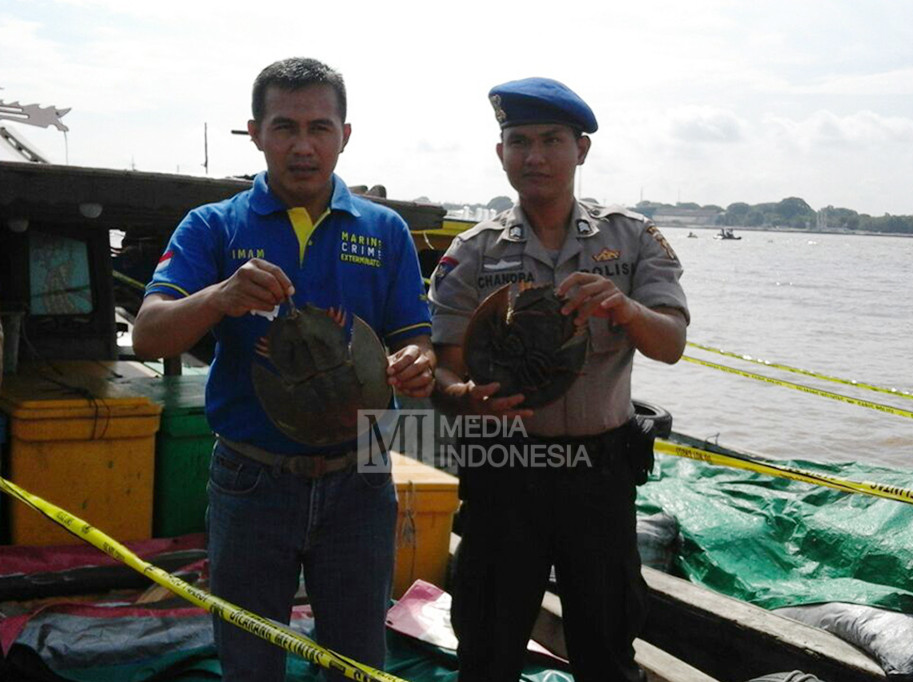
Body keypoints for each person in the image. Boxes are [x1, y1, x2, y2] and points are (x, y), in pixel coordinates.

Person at [132, 57, 435, 681]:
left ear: (345, 135)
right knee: (249, 659)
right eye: (285, 127)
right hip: (251, 477)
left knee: (356, 661)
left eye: (320, 128)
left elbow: (416, 339)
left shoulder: (386, 230)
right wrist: (219, 297)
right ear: (255, 132)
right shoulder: (213, 225)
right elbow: (145, 335)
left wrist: (418, 363)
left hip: (363, 476)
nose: (304, 146)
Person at [429, 77, 689, 682]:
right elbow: (443, 369)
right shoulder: (471, 252)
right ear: (501, 154)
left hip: (599, 477)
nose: (535, 156)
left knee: (606, 647)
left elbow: (671, 344)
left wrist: (624, 309)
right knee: (487, 649)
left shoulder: (632, 237)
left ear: (582, 149)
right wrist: (464, 398)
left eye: (552, 140)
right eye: (519, 141)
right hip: (503, 472)